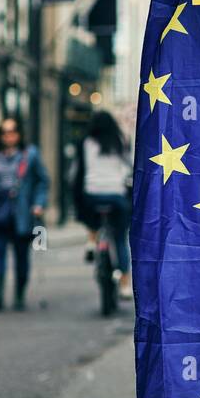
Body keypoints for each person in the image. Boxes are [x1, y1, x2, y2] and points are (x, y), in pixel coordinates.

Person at [0, 115, 49, 311]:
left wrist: (39, 203)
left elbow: (43, 180)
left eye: (12, 131)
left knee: (21, 255)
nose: (9, 136)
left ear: (19, 133)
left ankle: (19, 294)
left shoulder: (30, 154)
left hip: (21, 213)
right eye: (4, 132)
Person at [71, 110, 132, 298]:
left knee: (90, 213)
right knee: (120, 239)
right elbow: (129, 167)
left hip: (92, 195)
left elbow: (78, 172)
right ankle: (124, 284)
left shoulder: (86, 143)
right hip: (116, 195)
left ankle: (91, 241)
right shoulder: (120, 141)